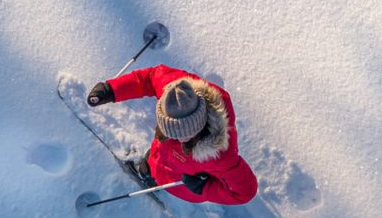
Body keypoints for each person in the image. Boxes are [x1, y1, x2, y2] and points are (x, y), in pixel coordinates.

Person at [87, 65, 257, 206]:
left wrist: (204, 188)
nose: (177, 139)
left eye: (183, 135)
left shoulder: (220, 154)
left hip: (181, 184)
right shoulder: (174, 91)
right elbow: (149, 77)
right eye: (168, 131)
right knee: (158, 152)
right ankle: (147, 170)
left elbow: (245, 192)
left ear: (198, 127)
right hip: (160, 156)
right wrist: (112, 89)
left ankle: (154, 179)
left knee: (167, 158)